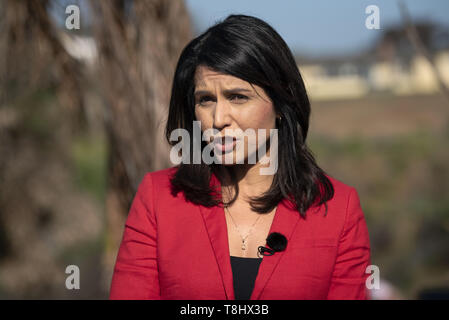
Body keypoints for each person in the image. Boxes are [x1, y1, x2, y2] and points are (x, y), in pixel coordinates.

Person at [109, 14, 371, 300]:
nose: (219, 118)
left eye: (238, 97)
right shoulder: (159, 199)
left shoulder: (337, 210)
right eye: (205, 99)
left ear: (281, 103)